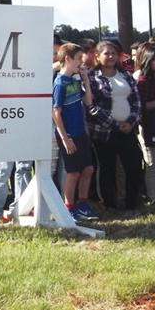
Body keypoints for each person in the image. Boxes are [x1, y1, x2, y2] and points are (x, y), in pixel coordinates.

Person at [86, 38, 144, 211]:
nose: (110, 56)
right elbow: (91, 107)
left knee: (134, 165)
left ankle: (132, 203)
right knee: (107, 169)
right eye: (106, 53)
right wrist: (115, 124)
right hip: (104, 132)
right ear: (97, 56)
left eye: (113, 53)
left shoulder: (125, 74)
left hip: (128, 130)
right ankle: (110, 204)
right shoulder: (91, 78)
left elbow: (136, 100)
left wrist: (130, 121)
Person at [52, 42, 98, 222]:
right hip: (69, 134)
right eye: (78, 58)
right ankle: (68, 208)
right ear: (67, 59)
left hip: (80, 132)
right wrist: (65, 138)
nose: (82, 62)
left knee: (88, 169)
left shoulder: (74, 80)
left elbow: (88, 102)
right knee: (73, 173)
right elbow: (56, 112)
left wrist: (86, 79)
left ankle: (83, 204)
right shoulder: (60, 83)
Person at [135, 43, 155, 205]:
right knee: (152, 163)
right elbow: (143, 106)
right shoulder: (143, 80)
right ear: (148, 61)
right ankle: (152, 196)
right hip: (149, 126)